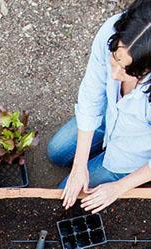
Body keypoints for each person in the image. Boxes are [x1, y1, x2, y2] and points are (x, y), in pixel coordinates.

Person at [47, 0, 151, 212]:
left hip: (134, 149)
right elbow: (91, 94)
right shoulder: (112, 31)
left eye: (128, 72)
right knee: (55, 152)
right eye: (115, 60)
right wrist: (79, 166)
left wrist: (119, 188)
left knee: (66, 194)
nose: (114, 75)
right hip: (109, 114)